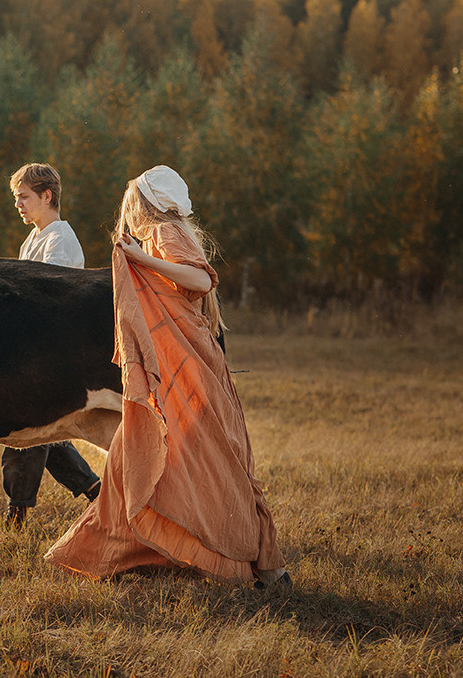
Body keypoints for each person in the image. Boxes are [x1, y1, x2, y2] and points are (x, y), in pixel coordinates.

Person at [44, 165, 289, 588]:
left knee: (185, 458)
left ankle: (243, 560)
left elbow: (199, 280)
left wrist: (138, 256)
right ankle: (139, 553)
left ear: (146, 204)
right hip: (185, 362)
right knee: (186, 457)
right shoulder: (168, 234)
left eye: (132, 204)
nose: (129, 214)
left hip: (185, 366)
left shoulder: (164, 234)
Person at [2, 163, 103, 527]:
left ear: (47, 196)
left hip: (55, 351)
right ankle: (95, 491)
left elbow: (49, 301)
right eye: (16, 197)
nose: (18, 204)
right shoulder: (33, 238)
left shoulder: (60, 240)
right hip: (32, 349)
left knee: (27, 428)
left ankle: (17, 511)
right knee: (48, 431)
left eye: (24, 197)